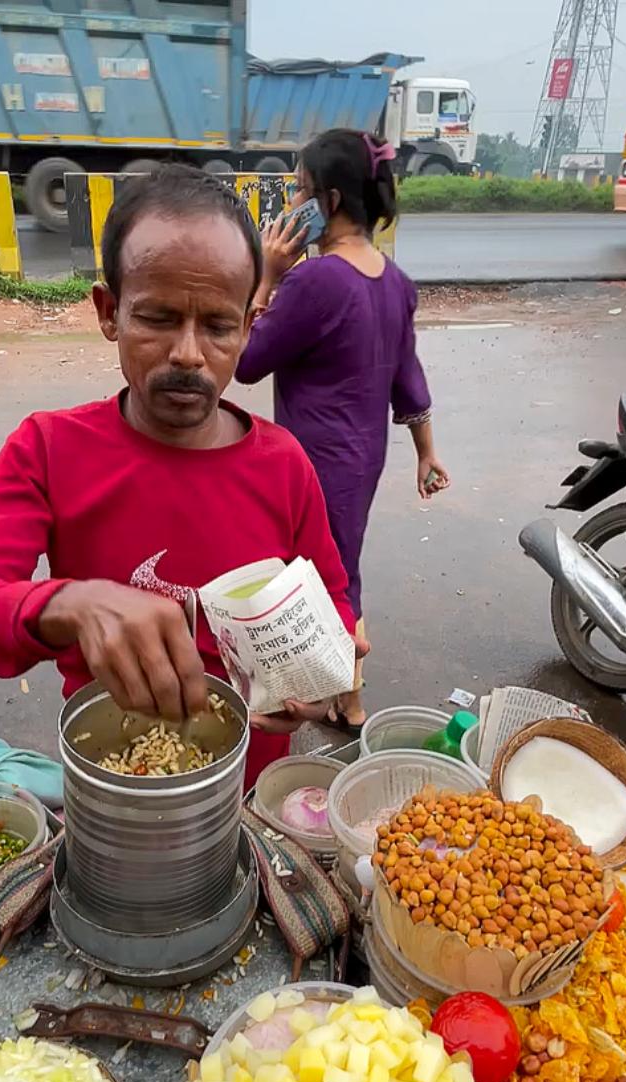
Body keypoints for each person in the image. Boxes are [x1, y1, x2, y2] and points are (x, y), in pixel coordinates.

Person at [0, 165, 365, 788]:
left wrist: (320, 677)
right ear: (110, 312)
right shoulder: (49, 448)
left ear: (247, 325)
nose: (188, 353)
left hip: (252, 782)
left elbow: (333, 603)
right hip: (112, 779)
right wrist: (69, 603)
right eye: (157, 318)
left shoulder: (284, 463)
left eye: (217, 326)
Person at [235, 128, 449, 734]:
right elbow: (407, 373)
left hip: (316, 461)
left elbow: (248, 362)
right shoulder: (394, 280)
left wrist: (268, 275)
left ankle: (348, 700)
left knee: (326, 575)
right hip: (365, 456)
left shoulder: (315, 281)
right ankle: (338, 691)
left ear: (327, 201)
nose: (290, 203)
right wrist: (426, 452)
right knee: (338, 564)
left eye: (299, 189)